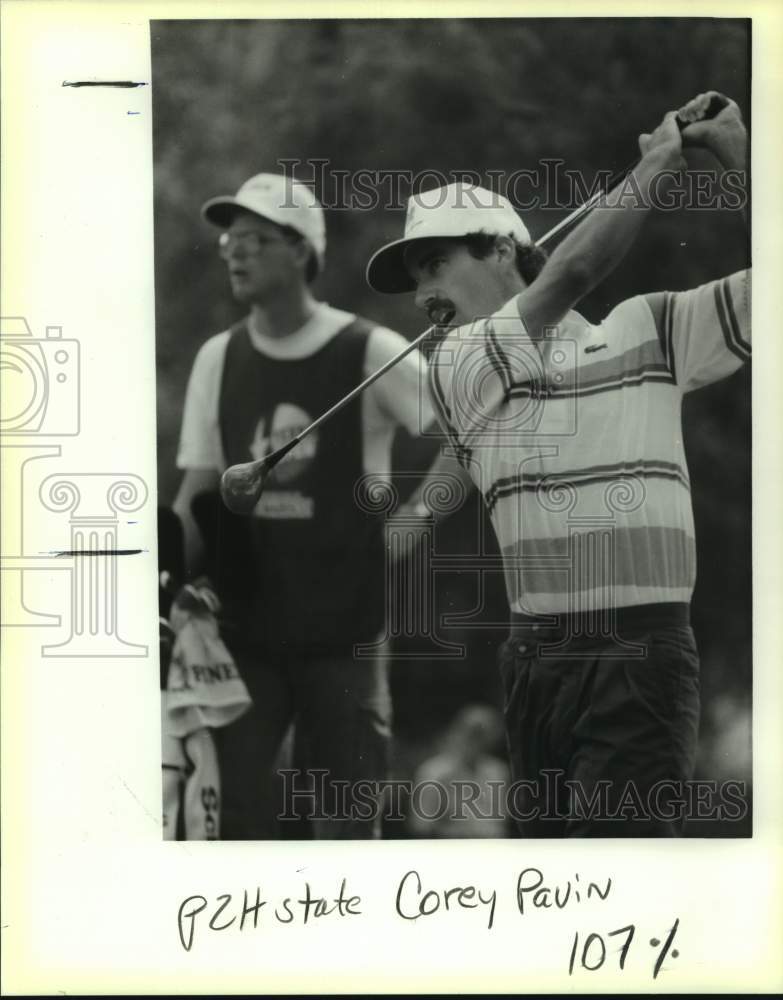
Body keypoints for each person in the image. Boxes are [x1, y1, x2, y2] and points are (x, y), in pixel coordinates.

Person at [366, 92, 751, 837]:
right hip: (535, 663)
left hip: (639, 652)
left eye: (433, 265)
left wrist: (740, 160)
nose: (421, 296)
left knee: (621, 868)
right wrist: (658, 163)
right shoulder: (457, 362)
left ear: (501, 250)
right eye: (415, 279)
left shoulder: (652, 330)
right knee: (553, 886)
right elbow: (572, 273)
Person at [174, 171, 448, 839]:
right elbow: (196, 496)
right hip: (242, 642)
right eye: (227, 240)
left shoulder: (369, 351)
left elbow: (470, 431)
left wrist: (411, 524)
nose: (235, 251)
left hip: (345, 637)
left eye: (254, 238)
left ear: (300, 249)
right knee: (230, 825)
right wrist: (166, 586)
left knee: (347, 831)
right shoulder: (219, 358)